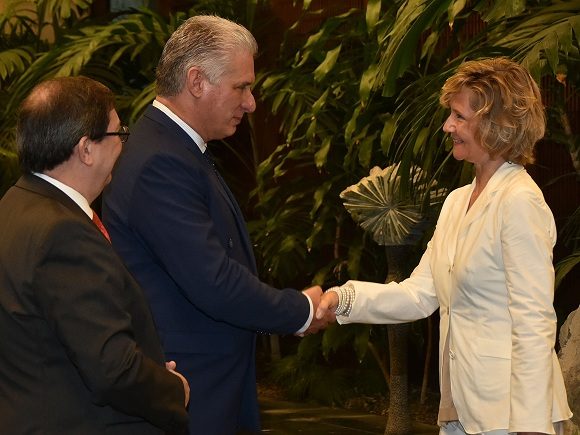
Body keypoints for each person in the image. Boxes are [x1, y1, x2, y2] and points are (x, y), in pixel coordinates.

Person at [316, 57, 573, 434]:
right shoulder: (456, 201)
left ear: (494, 124)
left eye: (459, 116)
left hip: (510, 418)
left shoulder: (519, 201)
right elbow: (419, 294)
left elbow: (534, 321)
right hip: (460, 411)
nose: (447, 126)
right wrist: (344, 299)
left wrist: (531, 426)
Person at [102, 15, 330, 434]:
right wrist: (299, 310)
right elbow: (213, 281)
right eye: (241, 87)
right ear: (196, 81)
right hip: (190, 389)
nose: (251, 103)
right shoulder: (161, 161)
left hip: (209, 382)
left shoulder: (176, 148)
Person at [0, 76, 190, 434]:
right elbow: (112, 369)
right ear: (86, 149)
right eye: (119, 134)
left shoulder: (13, 207)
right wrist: (172, 389)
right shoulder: (63, 232)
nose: (123, 146)